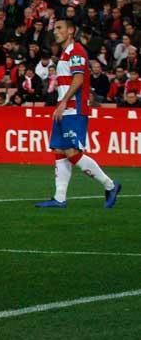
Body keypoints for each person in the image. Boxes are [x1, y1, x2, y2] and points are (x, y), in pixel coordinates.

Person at [35, 19, 120, 209]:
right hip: (63, 108)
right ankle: (59, 198)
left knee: (72, 152)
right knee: (59, 151)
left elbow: (79, 79)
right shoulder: (65, 53)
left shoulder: (77, 51)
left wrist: (64, 102)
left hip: (73, 108)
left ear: (71, 31)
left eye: (60, 28)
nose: (55, 32)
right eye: (54, 28)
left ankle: (110, 185)